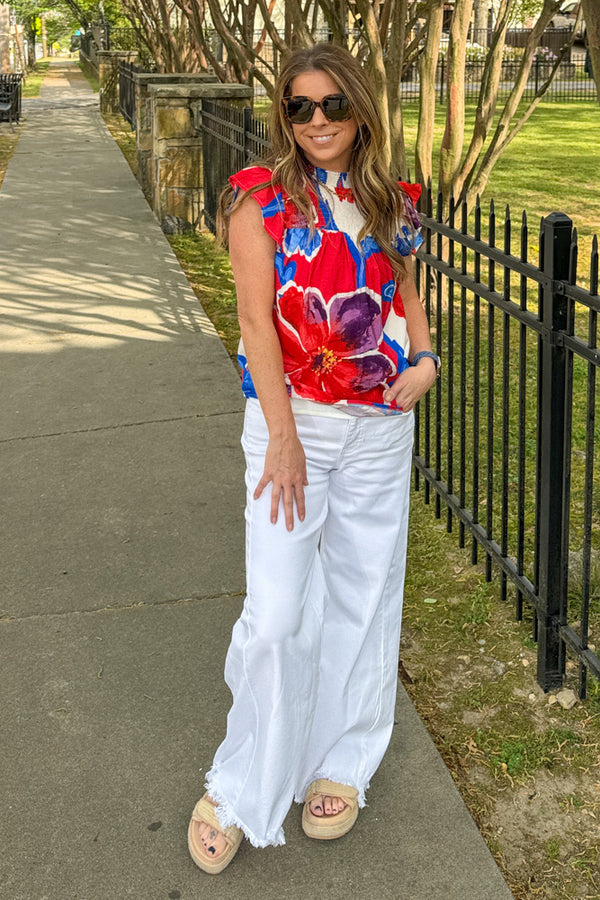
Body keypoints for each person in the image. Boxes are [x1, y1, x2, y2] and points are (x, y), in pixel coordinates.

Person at [187, 42, 439, 875]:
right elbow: (257, 325)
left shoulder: (392, 198)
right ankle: (242, 783)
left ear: (360, 109)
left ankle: (342, 761)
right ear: (284, 117)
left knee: (364, 598)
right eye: (301, 107)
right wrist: (285, 436)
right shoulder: (258, 201)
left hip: (378, 429)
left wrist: (427, 358)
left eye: (333, 105)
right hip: (292, 429)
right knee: (279, 611)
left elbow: (406, 288)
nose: (319, 121)